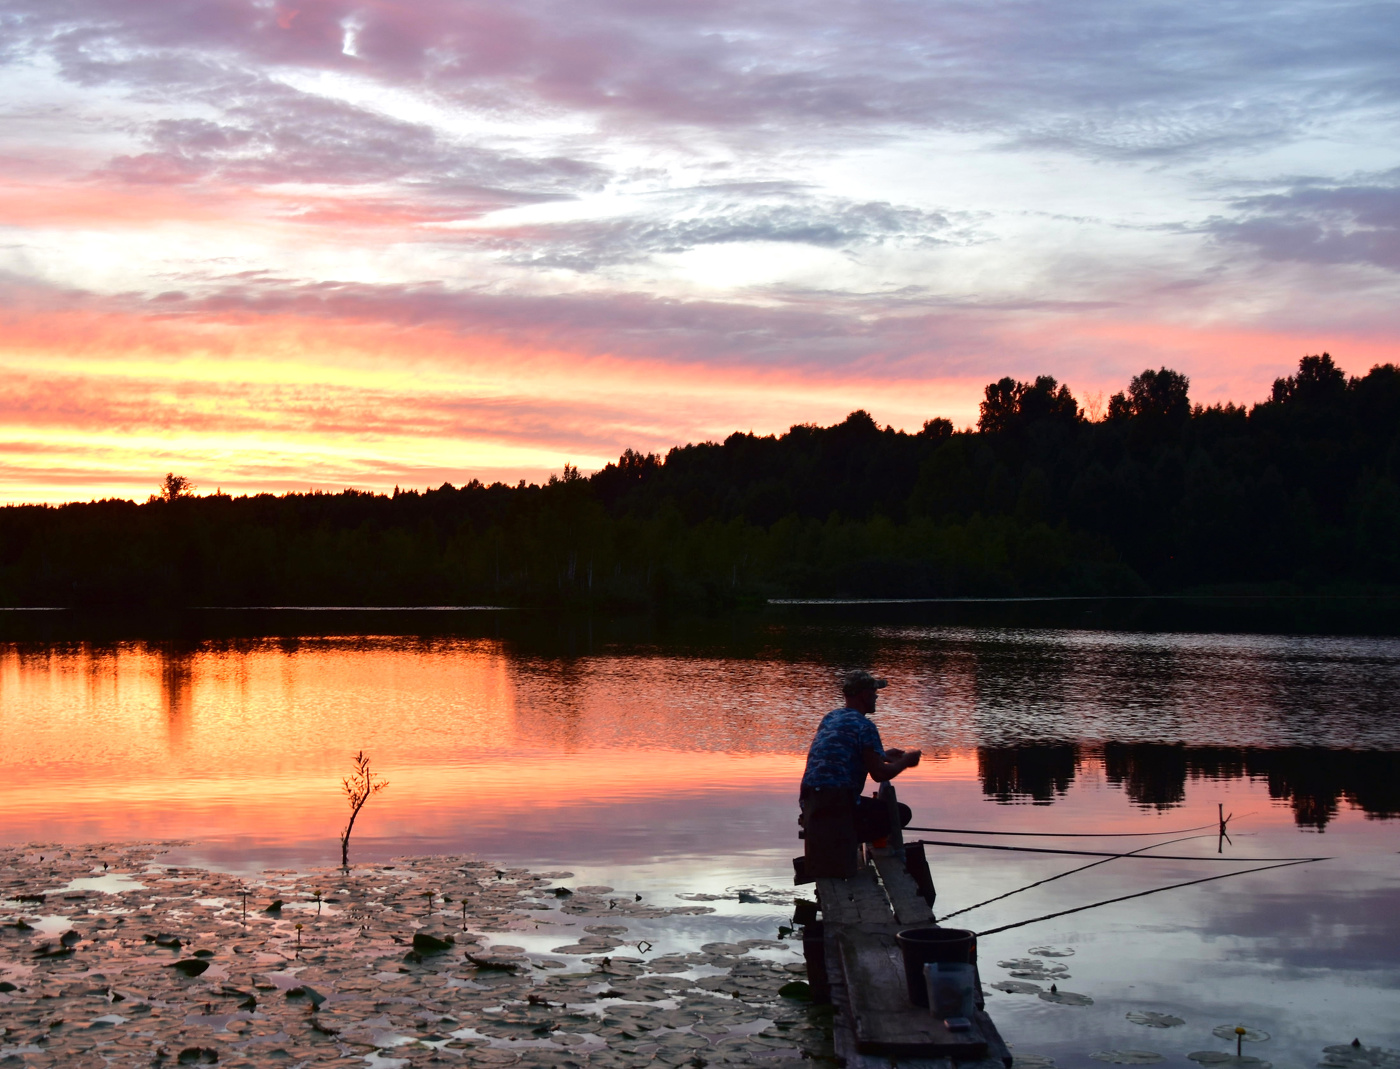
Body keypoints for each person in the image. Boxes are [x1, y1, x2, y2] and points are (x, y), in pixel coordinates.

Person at [799, 669, 922, 877]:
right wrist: (906, 762)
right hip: (838, 803)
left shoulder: (831, 717)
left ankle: (831, 833)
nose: (876, 697)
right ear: (864, 695)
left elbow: (842, 753)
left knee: (869, 808)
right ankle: (841, 837)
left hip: (810, 800)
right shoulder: (865, 726)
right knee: (901, 813)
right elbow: (879, 774)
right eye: (874, 692)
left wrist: (882, 754)